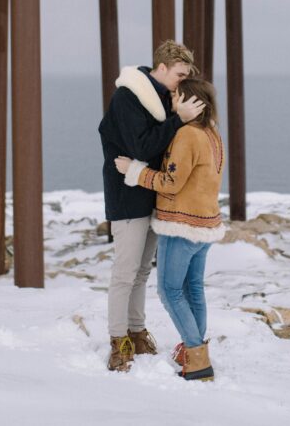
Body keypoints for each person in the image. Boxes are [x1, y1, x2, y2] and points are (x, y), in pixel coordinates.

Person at [97, 40, 205, 372]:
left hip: (153, 194)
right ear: (161, 68)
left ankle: (137, 330)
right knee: (125, 272)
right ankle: (119, 341)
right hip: (127, 196)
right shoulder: (129, 97)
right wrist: (179, 119)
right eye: (179, 74)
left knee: (142, 272)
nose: (182, 81)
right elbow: (141, 146)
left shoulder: (163, 97)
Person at [115, 77, 224, 382]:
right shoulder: (212, 132)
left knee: (170, 291)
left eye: (176, 96)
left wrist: (134, 171)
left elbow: (170, 182)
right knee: (193, 290)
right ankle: (194, 352)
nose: (172, 100)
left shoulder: (188, 134)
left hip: (181, 225)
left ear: (190, 101)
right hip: (205, 223)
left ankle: (197, 358)